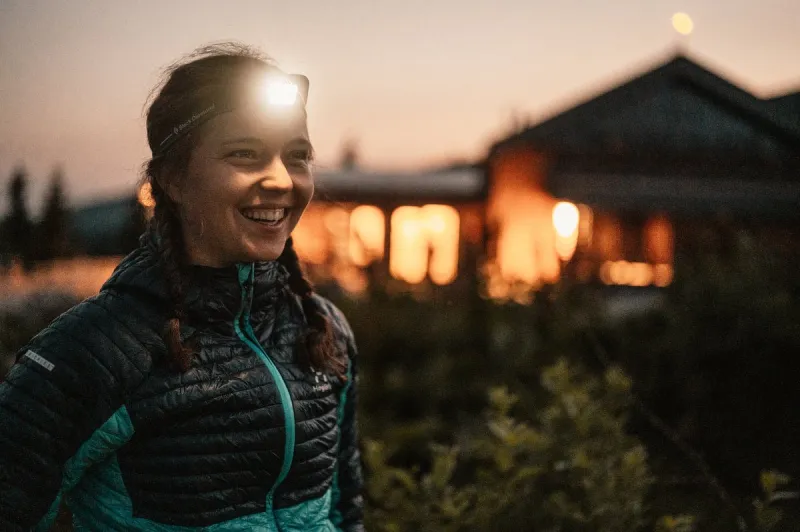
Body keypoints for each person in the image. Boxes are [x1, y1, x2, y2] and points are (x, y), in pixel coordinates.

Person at [0, 42, 364, 531]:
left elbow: (346, 508)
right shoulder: (92, 352)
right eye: (244, 154)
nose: (281, 179)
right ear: (171, 177)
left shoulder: (322, 329)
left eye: (298, 156)